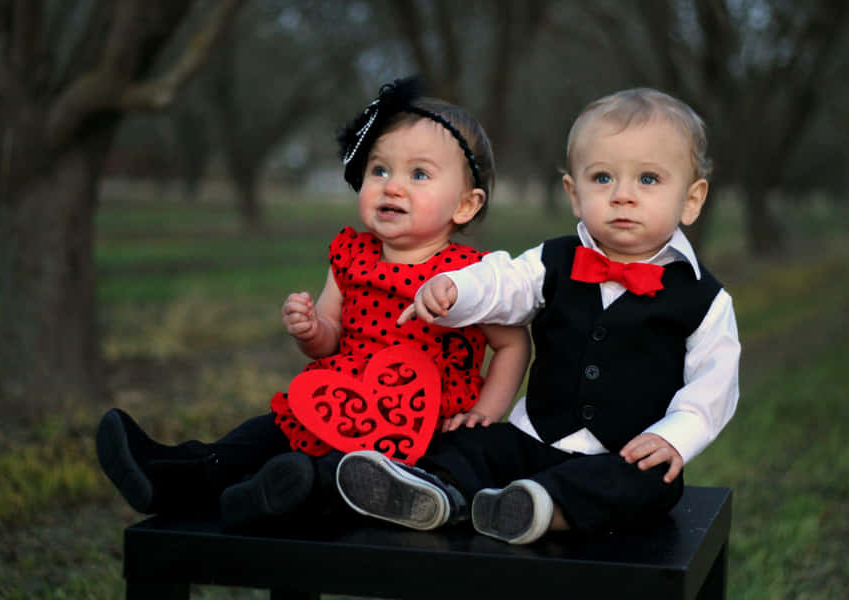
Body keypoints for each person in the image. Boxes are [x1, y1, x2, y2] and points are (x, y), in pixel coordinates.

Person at [95, 77, 531, 531]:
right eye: (379, 170)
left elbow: (512, 343)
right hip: (337, 399)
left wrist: (486, 409)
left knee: (349, 473)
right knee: (266, 433)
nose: (392, 187)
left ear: (465, 205)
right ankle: (174, 474)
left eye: (418, 174)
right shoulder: (350, 255)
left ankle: (286, 496)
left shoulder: (470, 277)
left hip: (415, 425)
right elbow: (330, 339)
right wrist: (311, 329)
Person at [335, 87, 740, 544]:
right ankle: (432, 493)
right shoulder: (554, 260)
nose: (623, 196)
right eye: (603, 178)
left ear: (691, 199)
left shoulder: (705, 299)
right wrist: (456, 289)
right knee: (469, 441)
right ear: (573, 193)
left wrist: (675, 437)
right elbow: (502, 283)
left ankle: (538, 510)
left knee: (650, 485)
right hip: (533, 439)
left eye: (648, 180)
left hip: (623, 453)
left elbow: (715, 384)